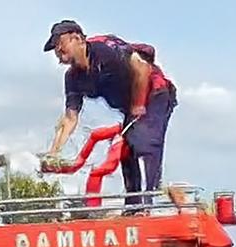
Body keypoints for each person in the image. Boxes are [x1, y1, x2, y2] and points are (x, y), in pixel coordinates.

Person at [43, 19, 177, 205]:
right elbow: (70, 117)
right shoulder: (73, 78)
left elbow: (141, 67)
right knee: (127, 150)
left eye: (60, 43)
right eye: (54, 47)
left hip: (155, 93)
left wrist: (138, 104)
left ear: (78, 39)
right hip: (131, 105)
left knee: (143, 141)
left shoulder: (104, 49)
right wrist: (53, 152)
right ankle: (134, 206)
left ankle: (150, 199)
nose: (57, 50)